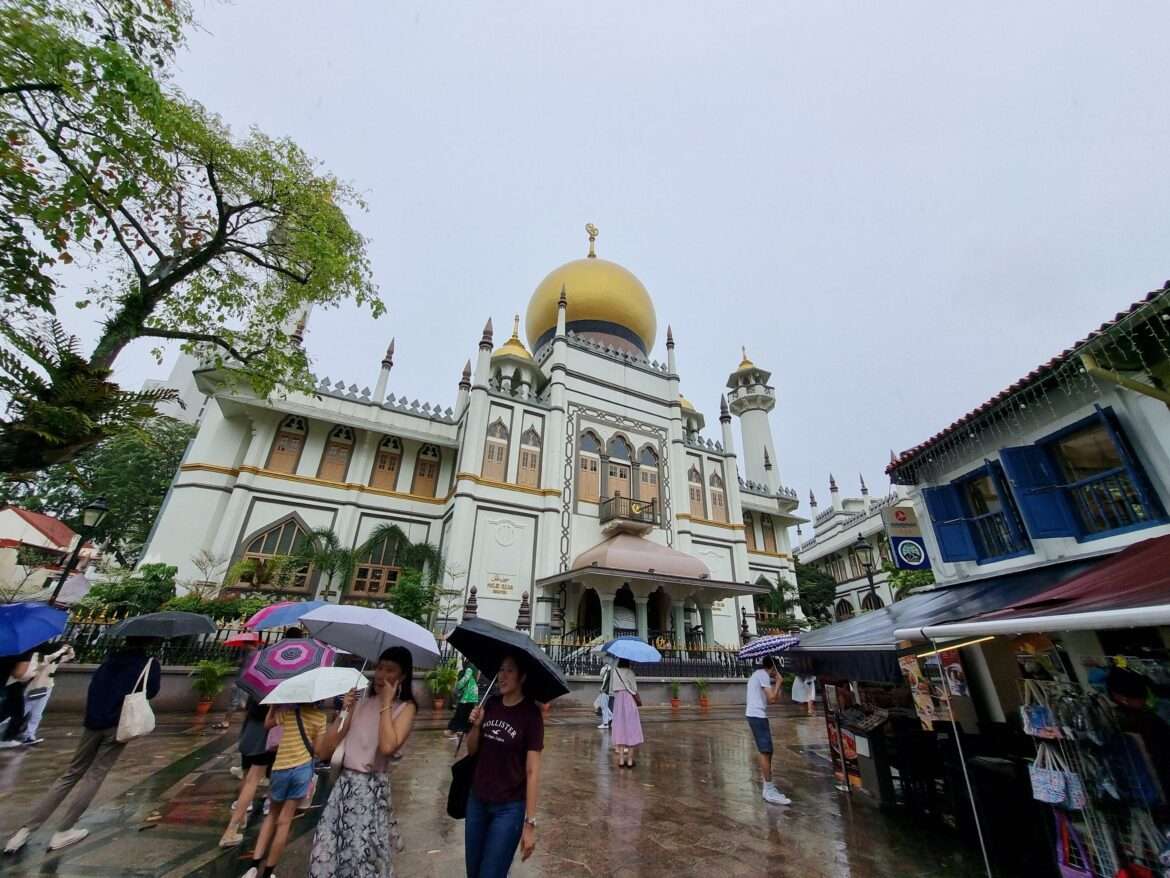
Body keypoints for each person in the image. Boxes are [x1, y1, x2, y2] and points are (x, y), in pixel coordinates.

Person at [4, 637, 161, 853]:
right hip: (118, 724)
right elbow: (151, 692)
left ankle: (24, 831)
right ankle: (64, 830)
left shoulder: (109, 660)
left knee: (70, 774)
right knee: (95, 775)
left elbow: (95, 688)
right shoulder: (149, 663)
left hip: (93, 722)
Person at [308, 646, 418, 878]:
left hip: (370, 792)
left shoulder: (406, 708)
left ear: (403, 676)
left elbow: (388, 747)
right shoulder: (360, 701)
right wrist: (344, 711)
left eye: (390, 670)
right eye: (379, 667)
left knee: (362, 859)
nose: (381, 675)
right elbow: (324, 750)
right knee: (329, 852)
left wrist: (386, 703)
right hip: (343, 789)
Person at [464, 654, 543, 878]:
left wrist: (530, 823)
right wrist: (476, 726)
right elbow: (471, 751)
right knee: (473, 872)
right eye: (500, 670)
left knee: (491, 873)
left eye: (509, 671)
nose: (502, 676)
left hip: (508, 808)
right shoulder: (491, 703)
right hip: (477, 800)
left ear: (522, 677)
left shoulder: (531, 715)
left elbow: (532, 770)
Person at [239, 699, 328, 878]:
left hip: (280, 769)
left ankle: (254, 866)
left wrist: (273, 706)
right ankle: (269, 872)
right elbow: (319, 751)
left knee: (272, 816)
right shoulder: (320, 717)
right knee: (285, 821)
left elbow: (267, 725)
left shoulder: (288, 713)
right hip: (302, 771)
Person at [219, 694, 276, 847]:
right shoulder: (276, 695)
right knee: (255, 779)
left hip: (249, 734)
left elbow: (247, 708)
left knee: (248, 777)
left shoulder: (257, 691)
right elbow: (271, 722)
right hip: (263, 739)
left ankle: (238, 819)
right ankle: (232, 829)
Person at [746, 656, 791, 805]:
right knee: (765, 751)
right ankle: (769, 789)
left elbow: (773, 699)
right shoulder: (763, 675)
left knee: (768, 751)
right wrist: (778, 682)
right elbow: (772, 698)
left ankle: (767, 785)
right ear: (773, 667)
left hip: (757, 714)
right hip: (757, 715)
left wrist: (778, 684)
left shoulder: (758, 675)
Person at [22, 644, 76, 744]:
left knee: (37, 714)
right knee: (24, 710)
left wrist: (70, 649)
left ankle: (29, 735)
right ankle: (8, 731)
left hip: (47, 688)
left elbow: (70, 656)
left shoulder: (55, 660)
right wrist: (62, 649)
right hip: (34, 688)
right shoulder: (39, 658)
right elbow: (50, 658)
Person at [218, 641, 259, 732]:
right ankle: (247, 721)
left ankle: (226, 721)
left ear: (248, 644)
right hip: (248, 681)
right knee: (243, 703)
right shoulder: (254, 654)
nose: (242, 646)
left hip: (242, 681)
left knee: (235, 701)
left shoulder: (252, 654)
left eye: (244, 644)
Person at [610, 659, 643, 768]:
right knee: (631, 728)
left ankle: (620, 760)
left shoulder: (614, 671)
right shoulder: (630, 672)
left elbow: (613, 688)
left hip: (618, 700)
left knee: (620, 728)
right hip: (629, 700)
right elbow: (634, 689)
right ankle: (629, 761)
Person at [0, 647, 35, 748]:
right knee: (16, 712)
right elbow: (18, 673)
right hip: (8, 685)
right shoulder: (24, 648)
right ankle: (7, 738)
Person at [447, 663, 479, 739]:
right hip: (469, 693)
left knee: (464, 712)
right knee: (462, 711)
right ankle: (455, 729)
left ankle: (461, 730)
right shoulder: (471, 665)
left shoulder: (470, 665)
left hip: (468, 693)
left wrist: (458, 685)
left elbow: (466, 678)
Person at [595, 661, 614, 730]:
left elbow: (605, 681)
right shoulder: (609, 670)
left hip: (605, 690)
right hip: (608, 690)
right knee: (603, 705)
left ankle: (605, 723)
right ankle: (612, 717)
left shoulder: (609, 670)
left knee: (603, 706)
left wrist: (602, 689)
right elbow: (603, 676)